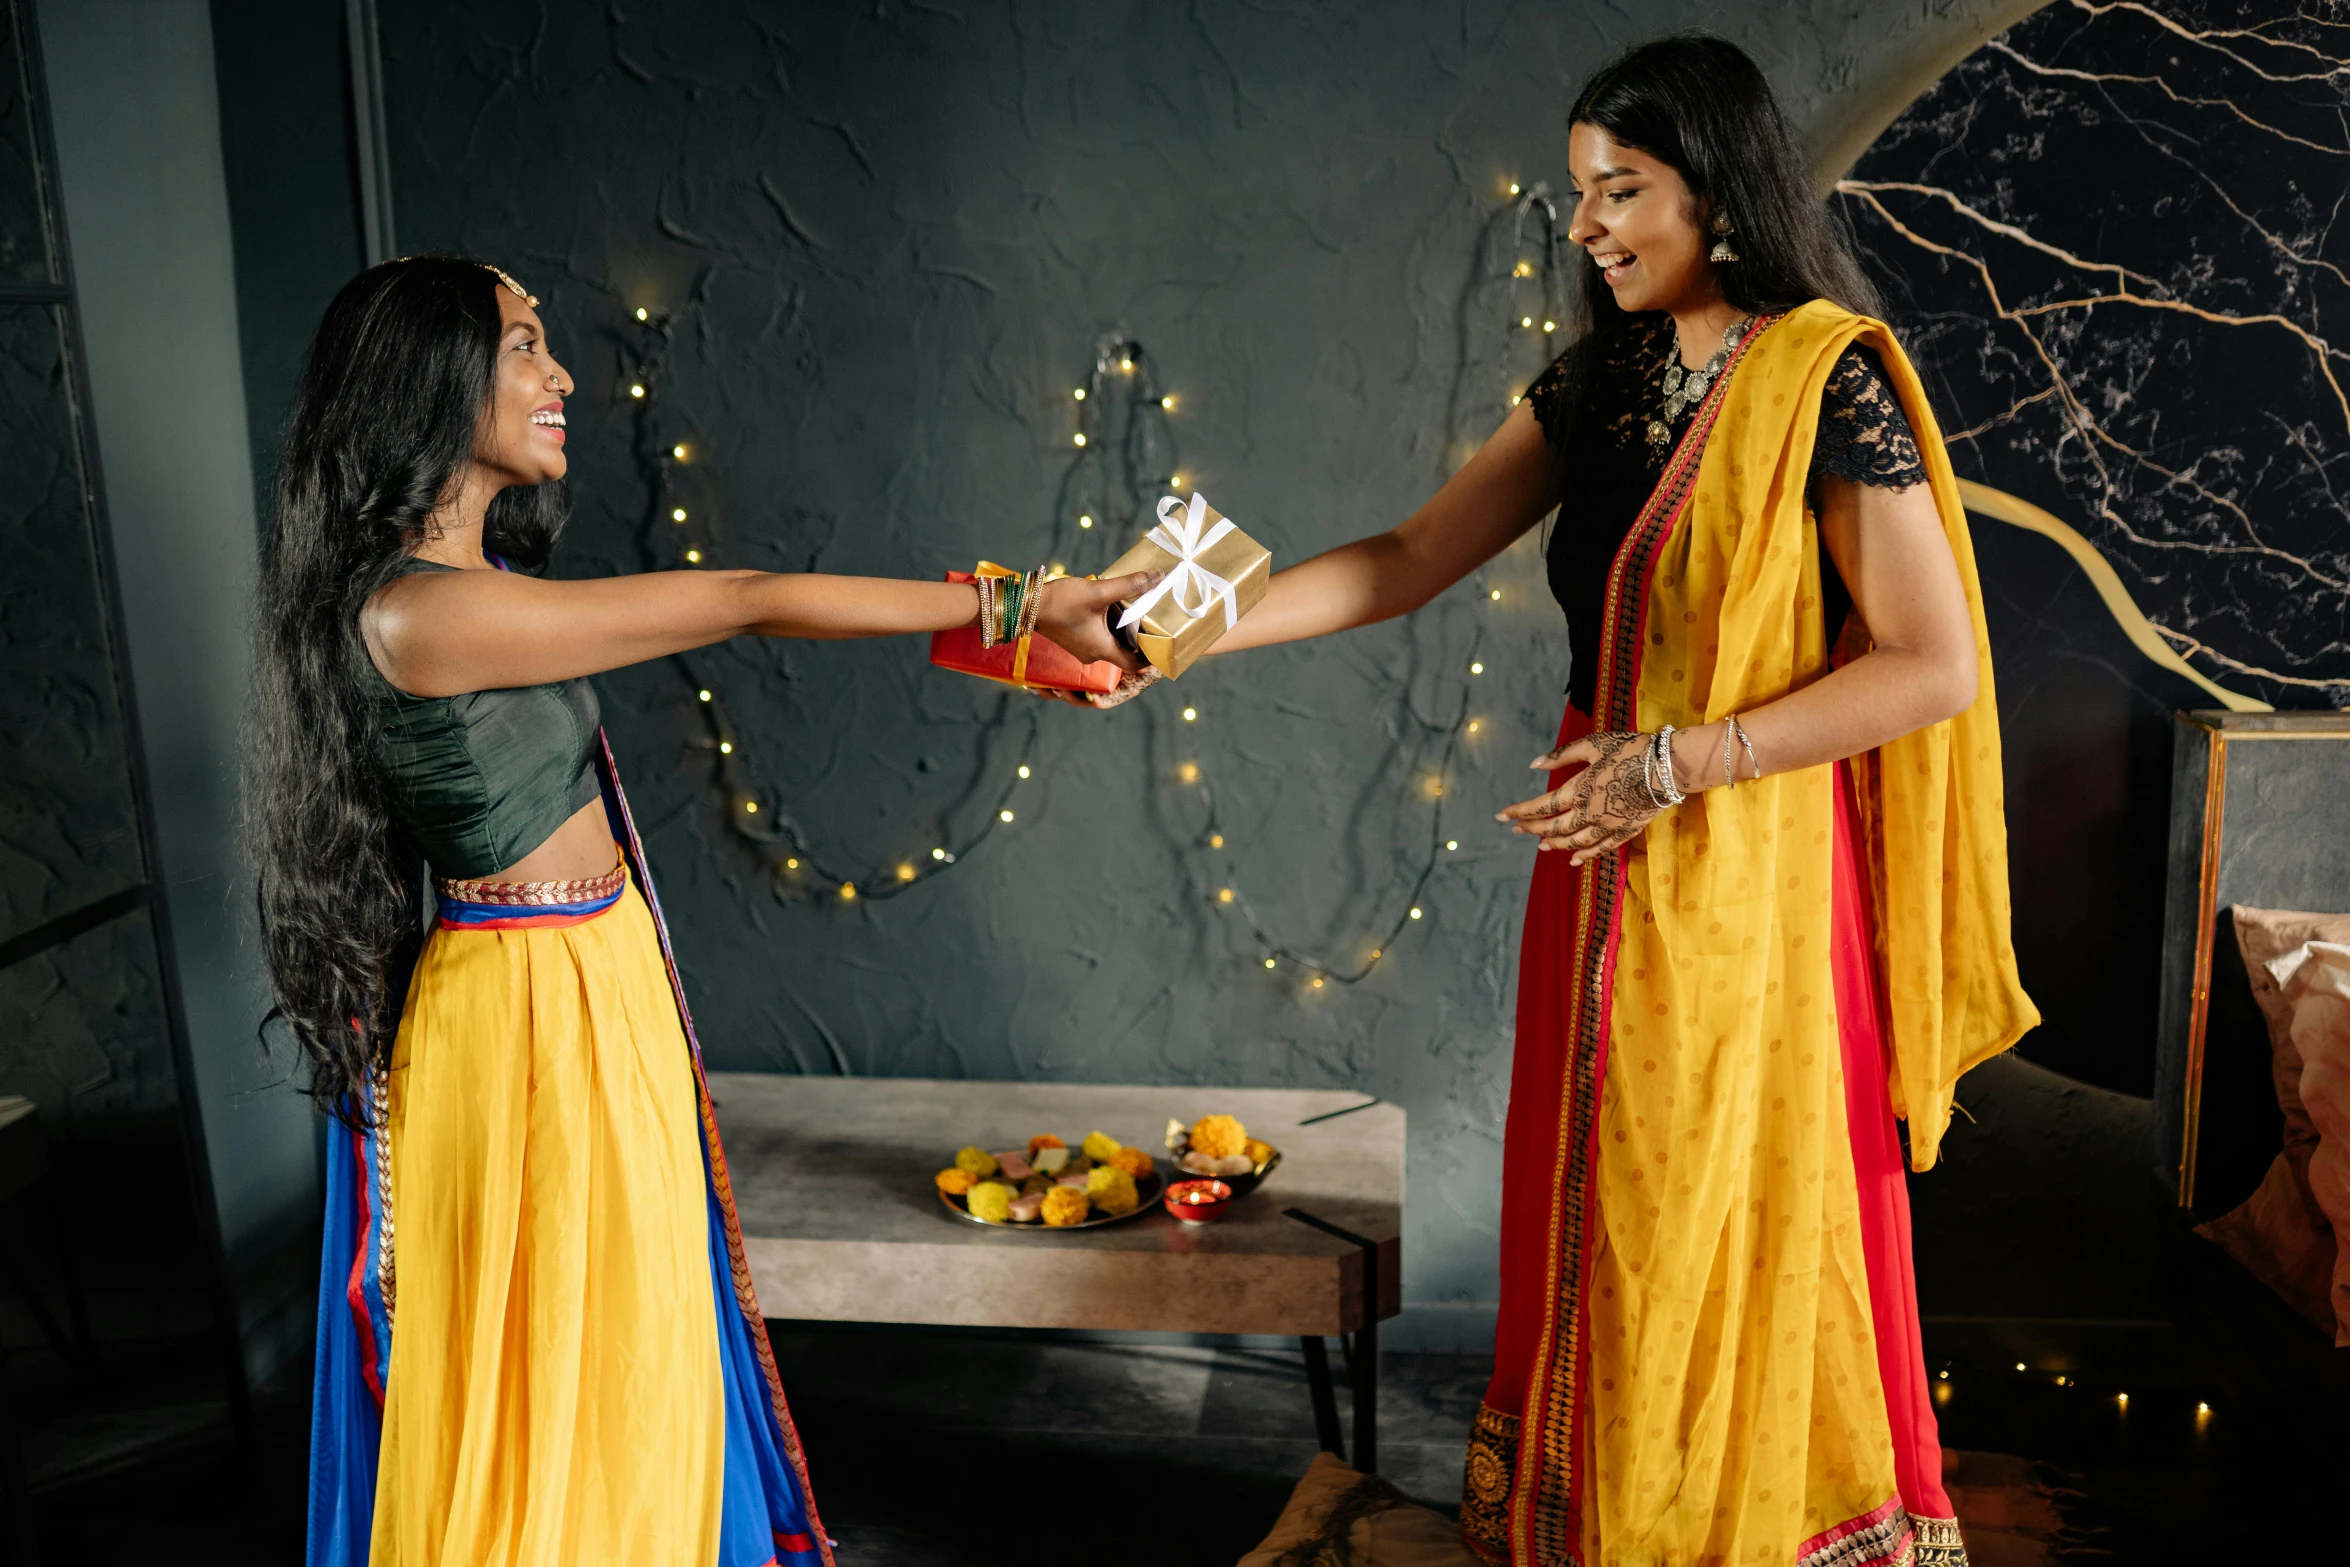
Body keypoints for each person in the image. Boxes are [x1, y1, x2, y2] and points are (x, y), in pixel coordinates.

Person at [1206, 36, 2036, 1567]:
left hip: (1751, 870)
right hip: (1600, 860)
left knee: (1718, 1213)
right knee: (1607, 1206)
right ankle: (1609, 1524)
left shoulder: (1820, 378)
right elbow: (1402, 559)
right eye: (1580, 191)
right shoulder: (1598, 380)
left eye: (1621, 188)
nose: (1585, 224)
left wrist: (1679, 762)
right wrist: (1191, 624)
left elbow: (1931, 666)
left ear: (1715, 189)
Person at [246, 256, 1148, 1567]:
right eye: (522, 345)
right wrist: (1026, 604)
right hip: (523, 1023)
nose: (559, 377)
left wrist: (1024, 643)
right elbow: (742, 600)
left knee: (635, 1336)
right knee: (558, 1370)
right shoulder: (411, 610)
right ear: (429, 382)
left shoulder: (460, 589)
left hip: (586, 978)